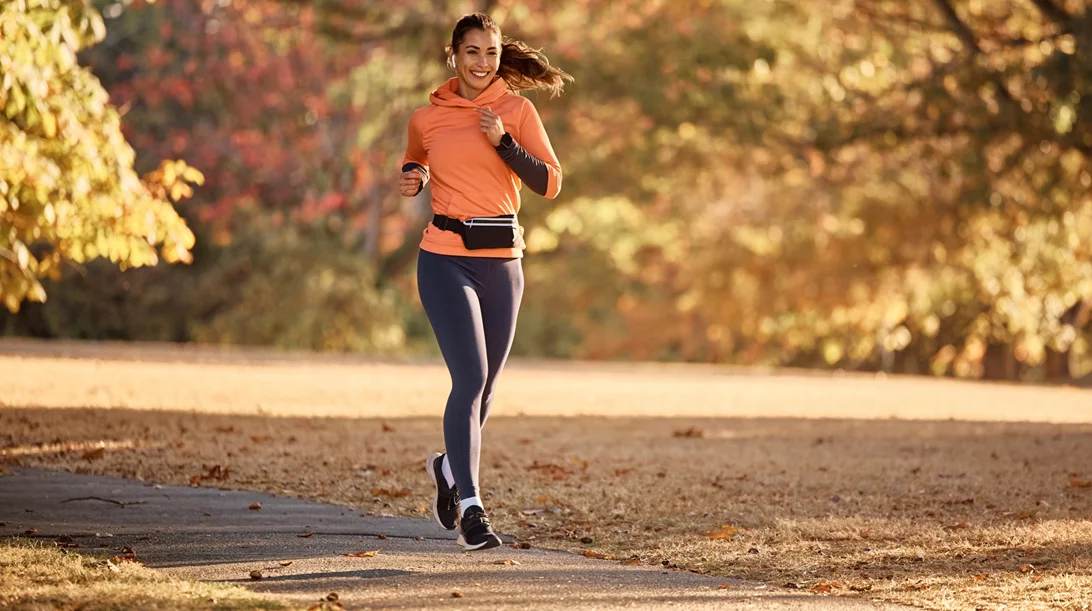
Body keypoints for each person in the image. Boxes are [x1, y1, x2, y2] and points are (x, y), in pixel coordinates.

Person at [399, 12, 571, 551]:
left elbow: (550, 183)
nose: (482, 62)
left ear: (500, 56)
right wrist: (415, 176)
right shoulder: (427, 117)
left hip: (503, 260)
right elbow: (416, 160)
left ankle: (447, 467)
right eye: (472, 52)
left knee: (489, 387)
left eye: (491, 53)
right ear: (453, 55)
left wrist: (504, 143)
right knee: (469, 378)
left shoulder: (516, 111)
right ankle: (472, 509)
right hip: (444, 256)